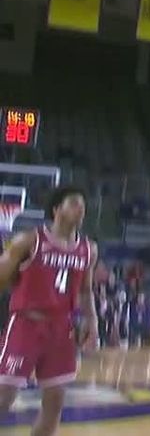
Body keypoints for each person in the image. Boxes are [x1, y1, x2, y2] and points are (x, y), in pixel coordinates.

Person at [0, 186, 99, 435]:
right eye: (74, 203)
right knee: (4, 397)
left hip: (61, 329)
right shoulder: (29, 240)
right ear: (56, 210)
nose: (81, 208)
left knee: (54, 403)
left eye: (83, 204)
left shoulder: (89, 249)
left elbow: (86, 291)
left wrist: (93, 324)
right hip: (26, 324)